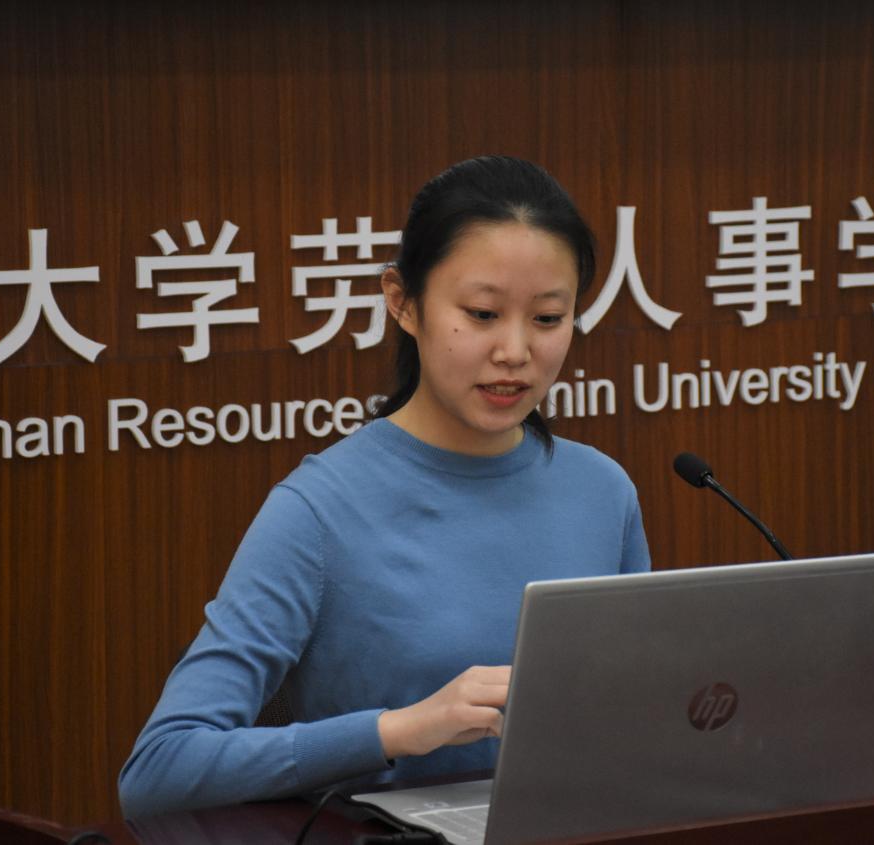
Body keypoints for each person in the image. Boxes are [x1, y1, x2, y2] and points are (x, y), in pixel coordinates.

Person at [118, 155, 650, 819]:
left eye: (547, 318)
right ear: (402, 301)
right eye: (482, 313)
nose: (515, 351)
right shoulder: (318, 510)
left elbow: (639, 719)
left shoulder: (601, 490)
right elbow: (160, 767)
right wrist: (397, 730)